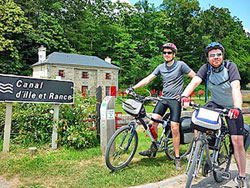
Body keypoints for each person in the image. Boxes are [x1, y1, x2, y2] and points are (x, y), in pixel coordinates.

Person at [181, 42, 247, 187]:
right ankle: (198, 149)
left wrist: (237, 108)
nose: (216, 57)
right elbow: (195, 81)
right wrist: (185, 95)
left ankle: (242, 176)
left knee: (237, 142)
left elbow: (236, 87)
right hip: (215, 103)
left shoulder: (230, 67)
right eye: (212, 55)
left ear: (222, 56)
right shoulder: (206, 69)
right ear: (208, 58)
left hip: (232, 107)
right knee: (197, 120)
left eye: (218, 54)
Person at [126, 42, 195, 171]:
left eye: (169, 53)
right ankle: (153, 148)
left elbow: (195, 78)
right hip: (163, 99)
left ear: (174, 54)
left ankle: (177, 157)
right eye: (164, 53)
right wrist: (133, 88)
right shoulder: (160, 67)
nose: (166, 55)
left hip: (175, 100)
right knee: (152, 123)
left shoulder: (181, 65)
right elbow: (148, 79)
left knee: (175, 128)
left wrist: (185, 94)